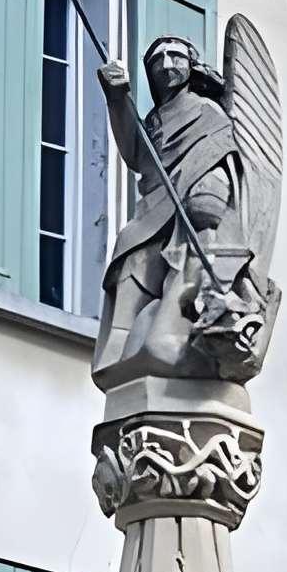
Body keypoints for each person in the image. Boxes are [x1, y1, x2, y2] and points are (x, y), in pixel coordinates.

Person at [93, 34, 260, 386]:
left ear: (190, 65)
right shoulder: (155, 119)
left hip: (191, 211)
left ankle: (185, 330)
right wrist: (117, 98)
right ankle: (118, 347)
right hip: (155, 206)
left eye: (176, 57)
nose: (167, 65)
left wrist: (209, 189)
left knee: (185, 271)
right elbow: (137, 155)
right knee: (130, 251)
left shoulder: (206, 110)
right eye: (158, 60)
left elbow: (220, 154)